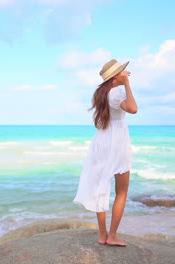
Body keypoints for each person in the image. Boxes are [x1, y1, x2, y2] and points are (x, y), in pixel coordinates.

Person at [73, 59, 138, 247]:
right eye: (122, 72)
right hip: (117, 140)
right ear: (115, 76)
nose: (126, 73)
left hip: (101, 139)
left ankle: (102, 234)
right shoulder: (117, 91)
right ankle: (112, 236)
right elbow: (133, 109)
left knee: (100, 186)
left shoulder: (100, 92)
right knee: (122, 191)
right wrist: (127, 85)